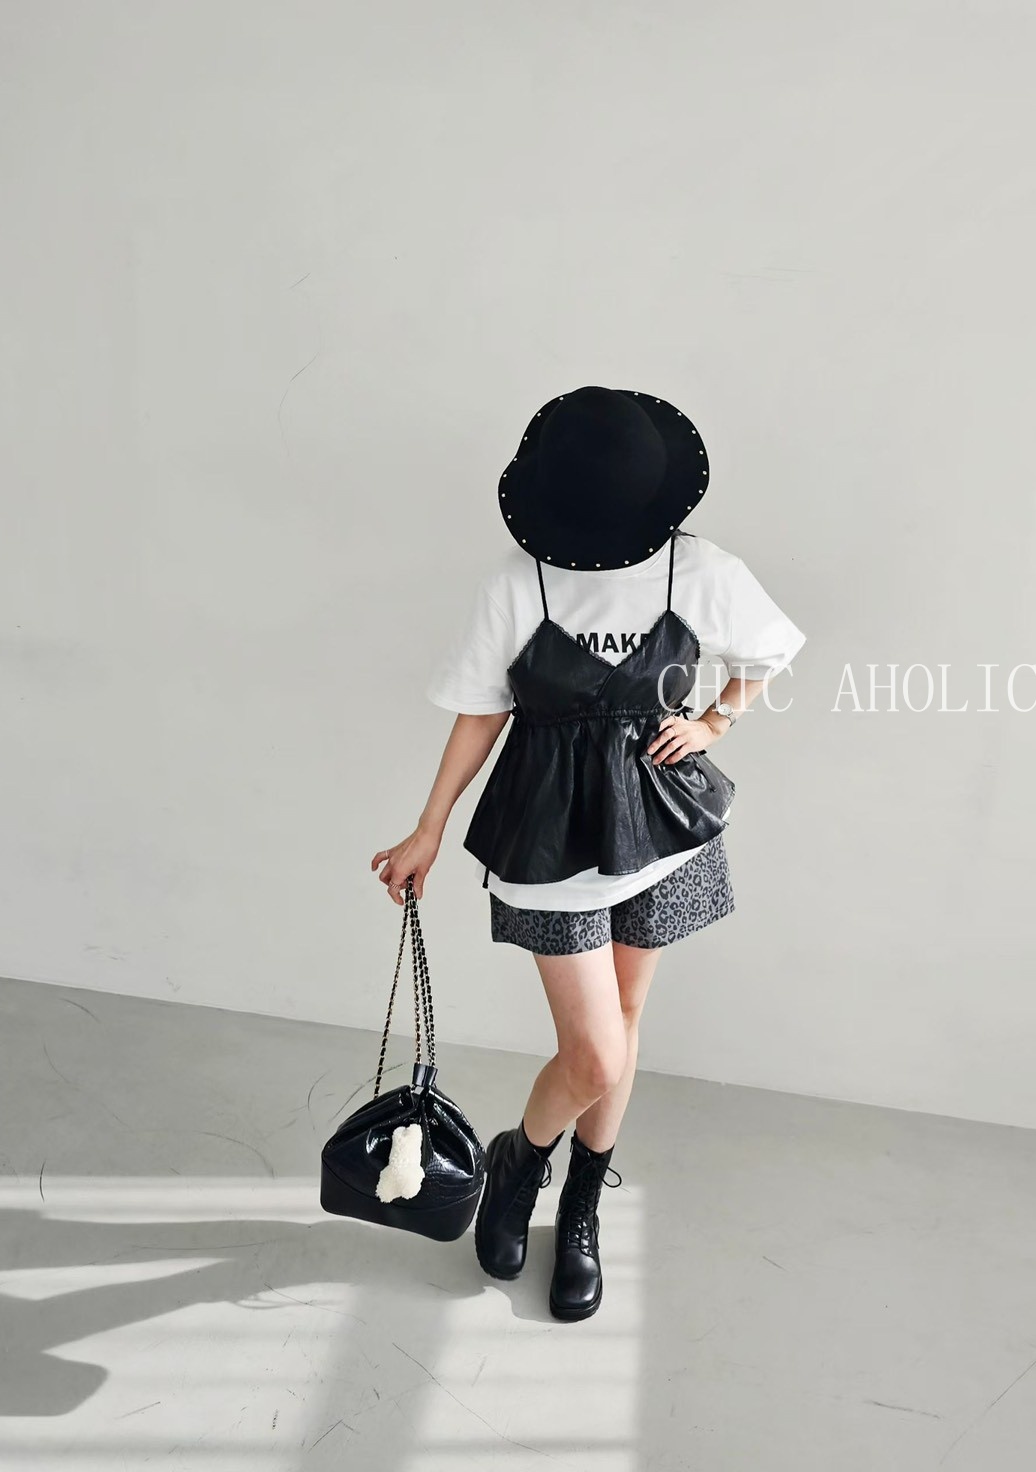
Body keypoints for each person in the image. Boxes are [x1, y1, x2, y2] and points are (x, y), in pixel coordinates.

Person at [370, 385, 806, 1321]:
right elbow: (482, 711)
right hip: (548, 835)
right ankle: (520, 1160)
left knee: (627, 1020)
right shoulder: (517, 581)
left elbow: (766, 654)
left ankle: (579, 1203)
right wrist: (429, 826)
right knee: (596, 1056)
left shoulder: (699, 569)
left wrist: (716, 721)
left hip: (662, 829)